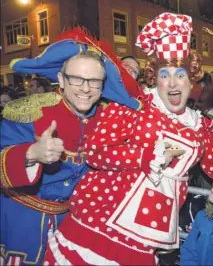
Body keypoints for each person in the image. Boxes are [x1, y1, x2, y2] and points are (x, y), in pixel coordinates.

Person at [42, 12, 213, 266]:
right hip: (102, 220)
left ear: (191, 80)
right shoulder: (134, 106)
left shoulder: (201, 125)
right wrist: (143, 156)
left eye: (180, 74)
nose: (172, 82)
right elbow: (95, 151)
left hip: (151, 231)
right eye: (164, 75)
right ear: (154, 79)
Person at [0, 27, 137, 265]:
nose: (85, 88)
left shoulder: (108, 119)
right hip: (19, 223)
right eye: (77, 79)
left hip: (73, 226)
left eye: (94, 81)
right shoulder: (29, 111)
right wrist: (31, 154)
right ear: (61, 80)